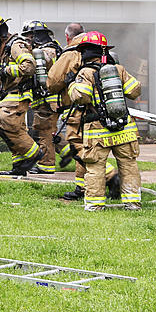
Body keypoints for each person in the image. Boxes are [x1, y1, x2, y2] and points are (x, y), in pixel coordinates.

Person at [66, 32, 143, 211]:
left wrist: (71, 85)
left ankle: (95, 205)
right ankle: (132, 204)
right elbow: (135, 91)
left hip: (98, 130)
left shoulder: (86, 72)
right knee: (129, 165)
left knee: (95, 167)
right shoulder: (118, 69)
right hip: (124, 128)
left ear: (84, 52)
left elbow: (81, 97)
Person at [48, 29, 120, 200]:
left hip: (78, 108)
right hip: (102, 112)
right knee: (88, 145)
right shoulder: (108, 57)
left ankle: (111, 176)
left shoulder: (71, 54)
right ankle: (82, 187)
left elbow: (53, 81)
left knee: (77, 146)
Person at [0, 14, 43, 176]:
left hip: (18, 94)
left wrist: (7, 70)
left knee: (5, 127)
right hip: (7, 95)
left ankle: (35, 153)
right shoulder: (3, 49)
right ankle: (19, 166)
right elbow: (1, 78)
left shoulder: (15, 45)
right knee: (14, 130)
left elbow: (29, 67)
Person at [21, 20, 66, 174]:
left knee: (43, 131)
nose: (27, 42)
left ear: (36, 36)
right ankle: (69, 151)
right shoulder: (56, 49)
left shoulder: (45, 52)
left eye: (29, 38)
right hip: (50, 98)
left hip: (47, 100)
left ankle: (46, 165)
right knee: (50, 131)